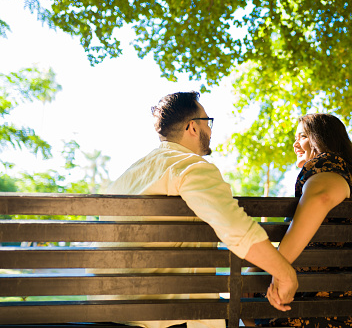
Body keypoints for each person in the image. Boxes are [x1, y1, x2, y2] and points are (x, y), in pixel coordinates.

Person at [95, 91, 298, 328]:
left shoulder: (127, 177)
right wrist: (285, 274)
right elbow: (234, 227)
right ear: (193, 127)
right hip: (165, 320)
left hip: (108, 313)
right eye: (207, 122)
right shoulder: (190, 167)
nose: (210, 131)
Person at [257, 113, 352, 328]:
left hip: (324, 307)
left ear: (322, 140)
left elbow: (321, 198)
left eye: (302, 136)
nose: (295, 144)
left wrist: (278, 271)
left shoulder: (328, 166)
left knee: (243, 303)